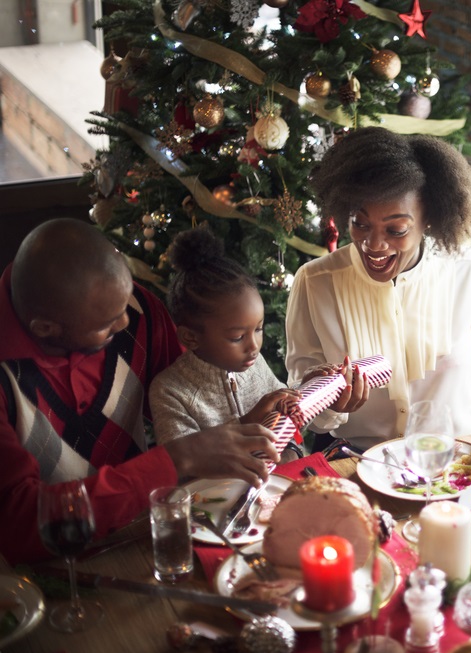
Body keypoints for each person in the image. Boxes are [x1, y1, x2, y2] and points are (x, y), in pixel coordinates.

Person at [0, 219, 280, 565]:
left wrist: (258, 419)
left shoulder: (138, 309)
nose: (125, 324)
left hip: (140, 539)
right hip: (50, 568)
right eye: (106, 326)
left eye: (125, 303)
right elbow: (16, 525)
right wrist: (175, 460)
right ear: (45, 328)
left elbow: (193, 393)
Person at [286, 127, 471, 449]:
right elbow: (302, 399)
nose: (373, 243)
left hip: (459, 456)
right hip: (362, 463)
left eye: (396, 229)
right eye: (360, 223)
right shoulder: (314, 282)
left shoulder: (470, 269)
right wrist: (330, 407)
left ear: (429, 218)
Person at [149, 227, 342, 452]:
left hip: (279, 478)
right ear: (190, 338)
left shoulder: (254, 363)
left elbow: (288, 417)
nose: (253, 346)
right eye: (237, 337)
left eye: (258, 329)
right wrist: (248, 421)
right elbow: (179, 463)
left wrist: (309, 389)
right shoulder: (169, 391)